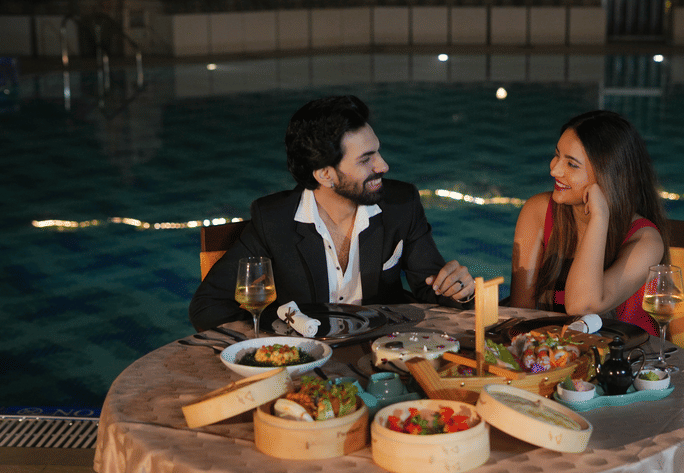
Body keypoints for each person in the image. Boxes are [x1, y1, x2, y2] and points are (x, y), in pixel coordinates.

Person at [189, 95, 474, 332]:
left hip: (383, 353)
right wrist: (278, 335)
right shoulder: (274, 220)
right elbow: (207, 305)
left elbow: (433, 291)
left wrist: (458, 289)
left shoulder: (401, 204)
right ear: (326, 174)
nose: (383, 166)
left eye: (378, 152)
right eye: (366, 159)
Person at [509, 110, 670, 336]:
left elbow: (582, 305)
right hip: (555, 355)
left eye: (572, 164)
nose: (554, 169)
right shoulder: (537, 211)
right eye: (557, 155)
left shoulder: (646, 241)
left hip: (626, 360)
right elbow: (520, 311)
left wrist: (599, 218)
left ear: (608, 175)